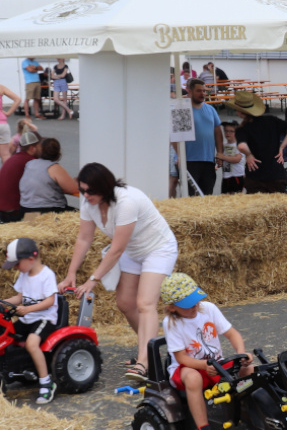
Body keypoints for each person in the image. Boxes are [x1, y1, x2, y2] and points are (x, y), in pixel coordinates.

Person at [62, 163, 178, 385]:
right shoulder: (89, 203)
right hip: (134, 251)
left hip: (158, 249)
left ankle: (145, 361)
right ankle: (150, 349)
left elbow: (116, 249)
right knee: (125, 303)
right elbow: (84, 238)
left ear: (105, 187)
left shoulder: (126, 201)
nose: (85, 196)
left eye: (90, 191)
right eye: (82, 190)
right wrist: (71, 273)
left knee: (145, 303)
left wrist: (92, 280)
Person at [159, 272, 253, 430]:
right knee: (194, 379)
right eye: (187, 305)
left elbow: (232, 334)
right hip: (186, 367)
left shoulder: (208, 308)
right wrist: (204, 366)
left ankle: (251, 417)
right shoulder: (170, 323)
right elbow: (181, 358)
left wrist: (242, 354)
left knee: (251, 371)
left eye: (195, 300)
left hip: (215, 364)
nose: (194, 306)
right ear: (171, 307)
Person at [2, 238, 59, 404]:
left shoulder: (46, 275)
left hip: (44, 318)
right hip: (27, 319)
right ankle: (14, 370)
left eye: (17, 264)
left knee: (31, 344)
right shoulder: (24, 274)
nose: (15, 267)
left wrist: (27, 309)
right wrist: (2, 302)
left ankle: (46, 383)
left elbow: (50, 301)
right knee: (7, 337)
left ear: (30, 259)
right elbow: (19, 297)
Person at [226, 91, 287, 194]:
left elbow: (242, 146)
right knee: (277, 206)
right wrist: (282, 147)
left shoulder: (242, 129)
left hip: (255, 176)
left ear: (240, 111)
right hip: (276, 173)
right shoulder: (271, 120)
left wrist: (249, 154)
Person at [184, 79, 223, 197]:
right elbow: (175, 134)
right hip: (189, 160)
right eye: (198, 91)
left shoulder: (211, 109)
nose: (202, 94)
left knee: (207, 194)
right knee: (191, 195)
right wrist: (178, 156)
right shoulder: (183, 109)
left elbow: (217, 132)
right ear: (189, 91)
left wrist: (220, 153)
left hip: (208, 160)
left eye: (204, 91)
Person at [19, 137, 77, 214]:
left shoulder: (30, 164)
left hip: (26, 209)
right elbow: (73, 189)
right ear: (58, 152)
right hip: (47, 211)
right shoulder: (54, 168)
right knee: (82, 217)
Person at [0, 131, 40, 222]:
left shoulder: (14, 158)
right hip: (14, 210)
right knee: (44, 207)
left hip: (4, 208)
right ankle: (32, 232)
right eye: (39, 146)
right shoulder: (31, 161)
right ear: (32, 148)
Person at [218, 123, 246, 195]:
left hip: (237, 175)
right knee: (224, 197)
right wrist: (219, 162)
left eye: (231, 131)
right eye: (226, 131)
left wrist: (223, 157)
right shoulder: (223, 145)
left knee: (235, 197)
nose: (228, 133)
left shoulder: (240, 145)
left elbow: (237, 159)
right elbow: (221, 158)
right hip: (226, 175)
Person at [0, 82, 20, 163]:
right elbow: (17, 99)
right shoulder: (1, 87)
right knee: (5, 154)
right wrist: (8, 113)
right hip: (2, 123)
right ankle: (8, 175)